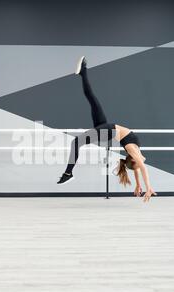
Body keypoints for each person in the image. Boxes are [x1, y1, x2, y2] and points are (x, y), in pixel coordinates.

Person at [57, 56, 157, 202]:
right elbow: (137, 169)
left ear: (133, 160)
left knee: (76, 142)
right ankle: (83, 72)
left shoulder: (132, 150)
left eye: (137, 162)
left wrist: (148, 187)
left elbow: (141, 168)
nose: (141, 163)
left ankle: (68, 173)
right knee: (91, 98)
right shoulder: (136, 154)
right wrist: (138, 185)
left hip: (109, 131)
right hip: (107, 127)